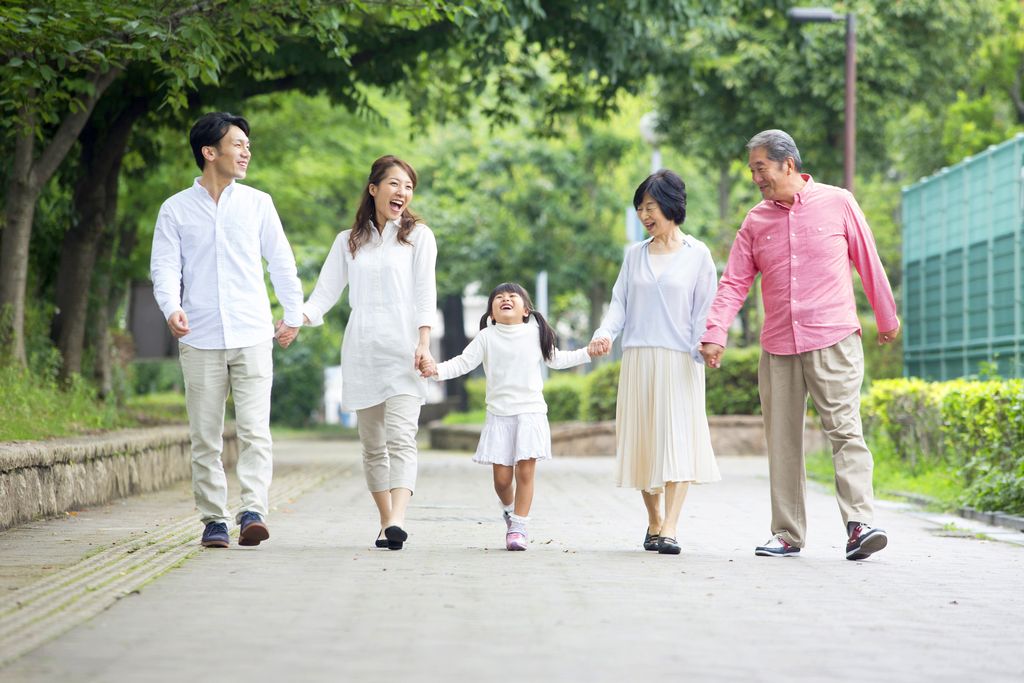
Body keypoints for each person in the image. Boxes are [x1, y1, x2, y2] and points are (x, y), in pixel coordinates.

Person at [699, 129, 900, 561]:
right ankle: (787, 534)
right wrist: (715, 333)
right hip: (778, 347)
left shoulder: (839, 202)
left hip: (834, 339)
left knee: (845, 431)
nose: (756, 177)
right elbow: (734, 281)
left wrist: (887, 317)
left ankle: (859, 524)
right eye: (752, 169)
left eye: (761, 168)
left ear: (788, 164)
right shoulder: (755, 221)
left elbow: (868, 258)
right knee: (783, 440)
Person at [150, 112, 304, 549]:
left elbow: (281, 261)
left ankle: (253, 510)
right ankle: (214, 519)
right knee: (205, 435)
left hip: (253, 332)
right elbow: (164, 266)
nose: (246, 152)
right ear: (209, 152)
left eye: (247, 145)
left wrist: (292, 313)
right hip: (199, 336)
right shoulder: (175, 209)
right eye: (238, 144)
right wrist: (171, 307)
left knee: (256, 431)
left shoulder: (258, 203)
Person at [302, 155, 436, 551]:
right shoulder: (348, 241)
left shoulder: (418, 237)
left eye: (409, 186)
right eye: (395, 184)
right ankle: (385, 520)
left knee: (401, 438)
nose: (403, 193)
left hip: (404, 349)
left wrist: (424, 343)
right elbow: (324, 294)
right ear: (374, 188)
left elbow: (425, 293)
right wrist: (295, 320)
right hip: (361, 350)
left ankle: (399, 518)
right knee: (373, 444)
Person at [589, 170, 720, 556]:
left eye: (652, 206)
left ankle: (671, 528)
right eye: (640, 208)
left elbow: (705, 311)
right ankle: (653, 520)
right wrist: (604, 334)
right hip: (639, 360)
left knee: (678, 442)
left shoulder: (699, 255)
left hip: (681, 361)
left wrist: (707, 346)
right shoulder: (634, 255)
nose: (645, 215)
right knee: (645, 444)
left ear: (672, 206)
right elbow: (619, 305)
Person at [419, 282, 591, 551]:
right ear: (491, 313)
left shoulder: (534, 335)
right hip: (499, 415)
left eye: (512, 296)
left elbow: (557, 359)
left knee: (525, 471)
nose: (505, 299)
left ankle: (520, 527)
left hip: (530, 412)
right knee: (501, 480)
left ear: (526, 310)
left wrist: (589, 351)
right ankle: (510, 511)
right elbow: (462, 363)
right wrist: (435, 370)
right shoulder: (486, 337)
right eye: (498, 298)